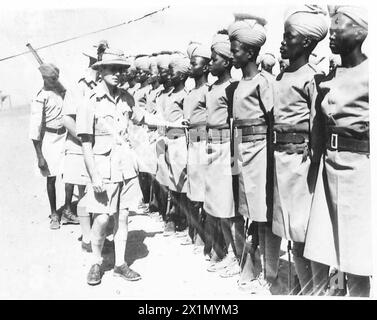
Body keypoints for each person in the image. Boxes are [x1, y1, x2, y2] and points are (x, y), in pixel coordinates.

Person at [304, 5, 371, 297]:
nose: (331, 33)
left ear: (358, 33)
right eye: (330, 27)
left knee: (357, 254)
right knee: (321, 245)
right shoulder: (328, 77)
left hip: (359, 171)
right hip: (328, 168)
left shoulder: (370, 74)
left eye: (338, 27)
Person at [272, 5, 328, 295]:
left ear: (306, 42)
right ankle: (303, 285)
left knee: (306, 231)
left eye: (289, 36)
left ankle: (317, 288)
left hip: (302, 163)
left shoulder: (312, 77)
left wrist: (313, 161)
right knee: (290, 231)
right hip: (281, 160)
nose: (282, 42)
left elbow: (317, 126)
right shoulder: (281, 77)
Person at [76, 49, 142, 285]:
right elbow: (85, 144)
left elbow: (142, 117)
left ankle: (120, 264)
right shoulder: (89, 102)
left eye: (121, 70)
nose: (118, 74)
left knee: (123, 217)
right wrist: (94, 176)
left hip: (126, 168)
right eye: (112, 69)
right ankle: (96, 262)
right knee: (103, 218)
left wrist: (171, 122)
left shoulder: (126, 98)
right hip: (103, 169)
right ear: (101, 71)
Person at [228, 13, 281, 294]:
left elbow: (273, 122)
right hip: (241, 153)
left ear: (249, 52)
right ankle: (250, 267)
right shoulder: (238, 86)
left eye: (235, 50)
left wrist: (271, 162)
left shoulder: (264, 82)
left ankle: (270, 274)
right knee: (247, 213)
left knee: (264, 215)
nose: (232, 55)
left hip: (261, 154)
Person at [204, 31, 239, 278]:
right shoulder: (212, 87)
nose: (210, 63)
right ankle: (226, 251)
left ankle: (237, 257)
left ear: (226, 62)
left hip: (226, 150)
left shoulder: (232, 88)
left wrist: (234, 159)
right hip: (210, 149)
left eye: (214, 59)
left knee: (229, 207)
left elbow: (233, 124)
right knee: (217, 205)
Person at [61, 44, 101, 249]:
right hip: (80, 146)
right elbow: (67, 119)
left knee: (99, 193)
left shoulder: (105, 86)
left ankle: (98, 236)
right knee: (85, 194)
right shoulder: (79, 86)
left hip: (101, 148)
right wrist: (87, 139)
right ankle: (87, 238)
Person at [29, 63, 67, 230]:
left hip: (64, 136)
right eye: (52, 79)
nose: (55, 81)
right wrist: (40, 156)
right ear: (44, 78)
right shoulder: (40, 97)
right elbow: (34, 129)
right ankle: (54, 213)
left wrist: (59, 86)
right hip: (50, 140)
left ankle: (67, 210)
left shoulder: (59, 92)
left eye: (56, 78)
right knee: (51, 178)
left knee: (69, 175)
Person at [180, 42, 211, 248]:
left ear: (206, 67)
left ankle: (205, 237)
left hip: (203, 144)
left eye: (194, 63)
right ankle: (195, 233)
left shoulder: (208, 91)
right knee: (192, 191)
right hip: (190, 143)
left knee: (203, 193)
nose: (190, 67)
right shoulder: (190, 93)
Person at [162, 55, 190, 236]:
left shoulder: (184, 96)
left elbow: (186, 122)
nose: (169, 76)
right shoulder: (171, 94)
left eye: (173, 72)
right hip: (169, 140)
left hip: (180, 141)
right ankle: (173, 214)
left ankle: (180, 217)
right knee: (171, 180)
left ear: (181, 76)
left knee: (182, 181)